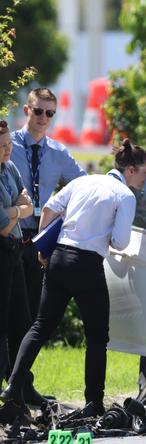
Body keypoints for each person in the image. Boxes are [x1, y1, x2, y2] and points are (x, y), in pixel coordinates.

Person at [0, 140, 146, 417]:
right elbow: (119, 241)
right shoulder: (124, 195)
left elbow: (47, 209)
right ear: (130, 170)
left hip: (59, 257)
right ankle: (94, 401)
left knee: (40, 327)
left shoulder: (84, 182)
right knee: (96, 337)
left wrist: (42, 247)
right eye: (145, 172)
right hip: (87, 265)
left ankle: (13, 387)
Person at [11, 88, 85, 328]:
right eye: (39, 111)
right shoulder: (7, 145)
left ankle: (21, 366)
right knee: (9, 305)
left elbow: (83, 186)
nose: (44, 118)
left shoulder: (59, 153)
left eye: (50, 113)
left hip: (40, 238)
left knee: (33, 308)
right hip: (11, 233)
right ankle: (6, 365)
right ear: (27, 110)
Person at [0, 120, 34, 399]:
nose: (7, 150)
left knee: (22, 321)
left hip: (15, 249)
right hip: (1, 248)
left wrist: (12, 211)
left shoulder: (10, 169)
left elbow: (29, 204)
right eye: (1, 146)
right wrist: (18, 210)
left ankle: (21, 386)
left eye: (9, 144)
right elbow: (1, 227)